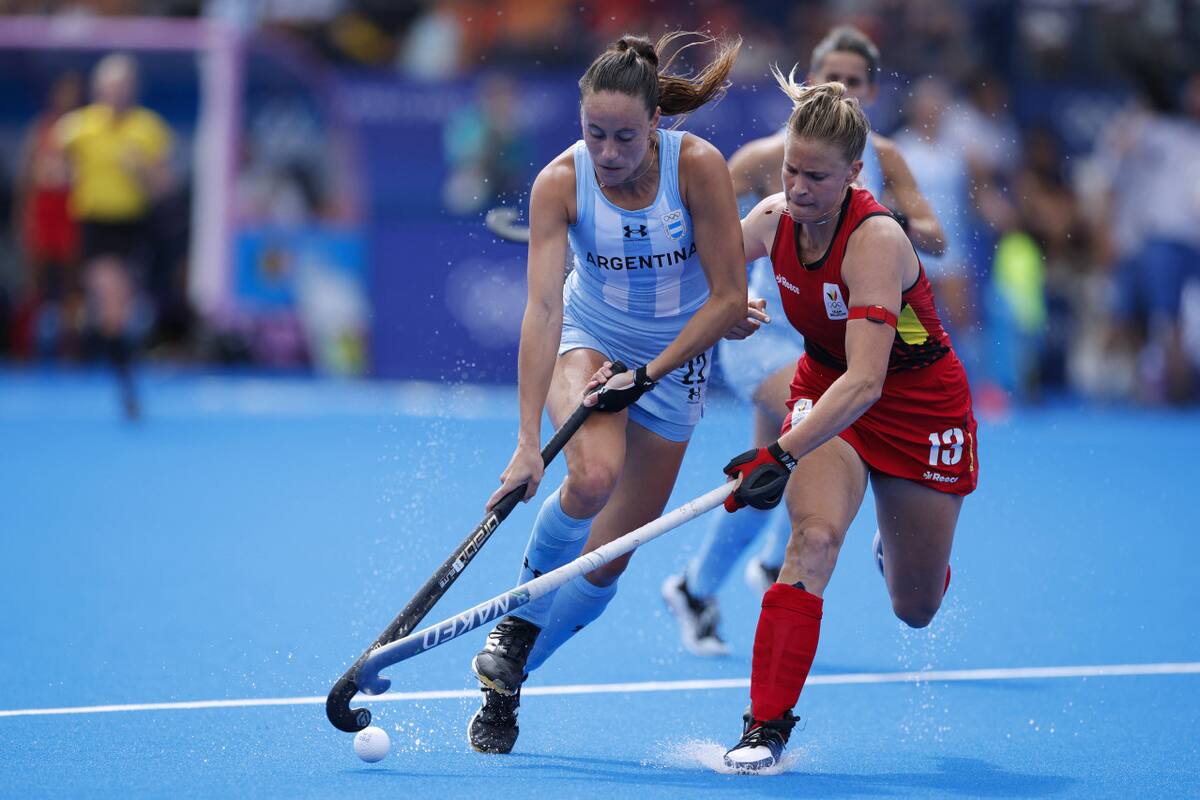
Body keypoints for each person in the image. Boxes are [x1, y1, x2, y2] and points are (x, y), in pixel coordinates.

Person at [467, 32, 748, 754]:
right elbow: (543, 311)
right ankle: (519, 620)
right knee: (590, 477)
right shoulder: (560, 184)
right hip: (589, 340)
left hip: (673, 368)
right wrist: (527, 443)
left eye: (626, 136)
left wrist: (648, 377)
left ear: (656, 123)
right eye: (595, 134)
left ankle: (510, 679)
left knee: (608, 558)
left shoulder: (700, 169)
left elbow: (726, 300)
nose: (610, 152)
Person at [716, 75, 979, 772]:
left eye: (816, 177)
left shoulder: (876, 240)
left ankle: (899, 550)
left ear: (855, 174)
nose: (797, 189)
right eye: (790, 171)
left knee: (915, 609)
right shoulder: (772, 218)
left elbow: (869, 380)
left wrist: (779, 451)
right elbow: (694, 272)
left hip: (918, 407)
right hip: (829, 391)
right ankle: (764, 728)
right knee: (814, 540)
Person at [662, 25, 945, 657]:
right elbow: (706, 220)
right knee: (826, 432)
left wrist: (889, 229)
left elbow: (936, 236)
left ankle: (695, 587)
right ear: (808, 83)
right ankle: (841, 537)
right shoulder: (771, 155)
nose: (839, 87)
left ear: (870, 91)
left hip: (835, 345)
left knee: (777, 468)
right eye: (829, 76)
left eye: (852, 79)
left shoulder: (887, 159)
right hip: (766, 332)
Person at [57, 53, 173, 418]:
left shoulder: (148, 129)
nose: (117, 92)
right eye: (110, 85)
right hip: (95, 224)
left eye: (124, 85)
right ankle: (124, 378)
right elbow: (53, 172)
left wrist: (140, 168)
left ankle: (120, 364)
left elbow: (164, 186)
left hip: (134, 225)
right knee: (113, 296)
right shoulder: (76, 129)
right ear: (98, 89)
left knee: (119, 308)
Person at [11, 72, 84, 360]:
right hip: (43, 211)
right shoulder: (40, 128)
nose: (67, 100)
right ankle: (24, 345)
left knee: (71, 285)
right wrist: (23, 217)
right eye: (63, 93)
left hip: (71, 211)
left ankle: (71, 346)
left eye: (73, 94)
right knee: (34, 284)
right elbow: (26, 177)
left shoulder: (83, 129)